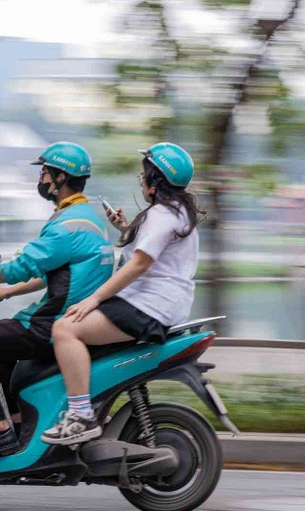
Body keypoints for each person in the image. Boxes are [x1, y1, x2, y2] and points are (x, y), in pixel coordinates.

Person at [0, 142, 114, 460]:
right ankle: (16, 422)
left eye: (45, 171)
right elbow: (55, 272)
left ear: (61, 177)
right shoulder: (87, 218)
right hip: (69, 317)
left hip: (52, 324)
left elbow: (21, 266)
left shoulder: (65, 227)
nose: (41, 177)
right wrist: (7, 292)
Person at [41, 142, 204, 446]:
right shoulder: (177, 212)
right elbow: (155, 257)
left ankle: (80, 417)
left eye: (144, 176)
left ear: (155, 182)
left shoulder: (162, 215)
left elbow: (140, 264)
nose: (140, 181)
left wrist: (95, 298)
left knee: (64, 328)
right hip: (161, 305)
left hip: (148, 307)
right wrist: (126, 228)